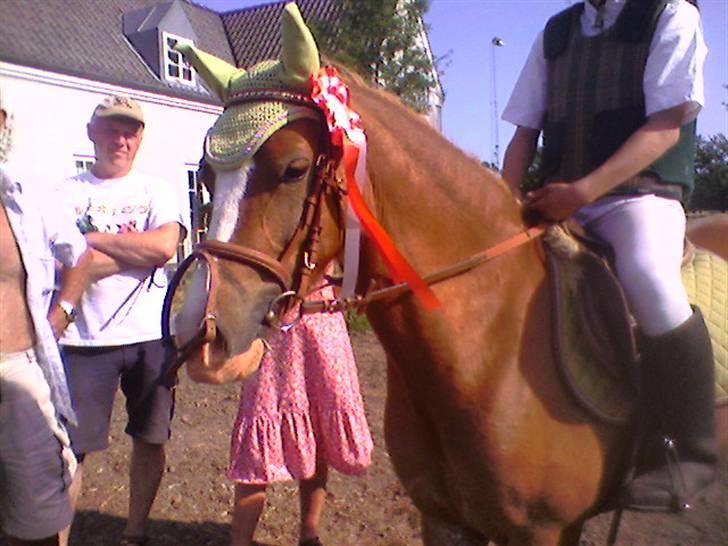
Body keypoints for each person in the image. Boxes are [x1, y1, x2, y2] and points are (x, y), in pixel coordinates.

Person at [501, 0, 716, 511]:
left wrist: (584, 191)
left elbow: (665, 126)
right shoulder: (557, 32)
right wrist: (502, 202)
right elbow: (524, 133)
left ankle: (693, 453)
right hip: (557, 197)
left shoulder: (671, 15)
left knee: (646, 275)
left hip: (639, 199)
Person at [59, 95, 187, 545]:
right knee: (69, 452)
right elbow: (64, 267)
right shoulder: (66, 192)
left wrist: (92, 241)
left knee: (150, 438)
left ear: (140, 138)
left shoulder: (158, 190)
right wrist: (137, 251)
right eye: (112, 129)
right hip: (83, 341)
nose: (121, 138)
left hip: (150, 338)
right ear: (92, 133)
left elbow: (165, 249)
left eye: (130, 130)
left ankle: (134, 534)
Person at [0, 89, 92, 546]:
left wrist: (63, 312)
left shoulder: (26, 193)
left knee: (35, 519)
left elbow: (79, 255)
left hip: (16, 372)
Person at [228, 280, 373, 546]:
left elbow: (352, 264)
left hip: (321, 325)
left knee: (317, 433)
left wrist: (352, 287)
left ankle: (309, 534)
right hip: (274, 327)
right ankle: (240, 541)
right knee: (257, 445)